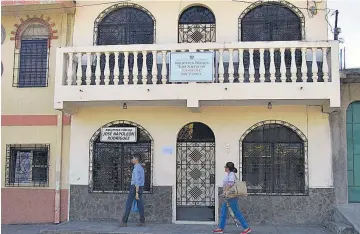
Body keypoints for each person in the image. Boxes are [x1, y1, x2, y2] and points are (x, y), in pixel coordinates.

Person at [213, 162, 251, 234]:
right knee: (223, 212)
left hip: (231, 197)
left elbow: (230, 184)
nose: (224, 168)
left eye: (225, 167)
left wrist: (225, 192)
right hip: (228, 196)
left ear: (228, 168)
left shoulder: (231, 175)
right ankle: (220, 228)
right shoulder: (228, 174)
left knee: (236, 212)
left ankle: (247, 228)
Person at [120, 155, 145, 227]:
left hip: (135, 187)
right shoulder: (141, 168)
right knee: (140, 204)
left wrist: (136, 192)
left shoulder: (136, 169)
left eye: (133, 158)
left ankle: (124, 221)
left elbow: (137, 180)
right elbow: (141, 180)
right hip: (140, 187)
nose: (132, 159)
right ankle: (142, 221)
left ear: (136, 159)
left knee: (129, 203)